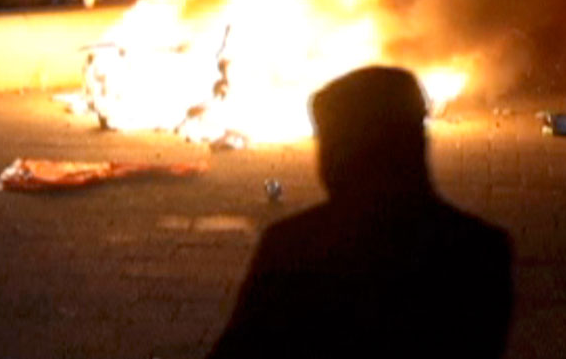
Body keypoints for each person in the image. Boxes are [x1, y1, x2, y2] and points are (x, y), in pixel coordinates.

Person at [207, 66, 514, 359]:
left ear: (345, 152)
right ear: (418, 143)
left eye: (329, 143)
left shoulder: (293, 248)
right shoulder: (482, 250)